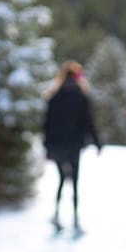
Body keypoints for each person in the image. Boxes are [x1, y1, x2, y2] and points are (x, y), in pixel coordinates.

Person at [42, 61, 101, 236]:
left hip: (57, 145)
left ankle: (57, 215)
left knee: (61, 179)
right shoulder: (80, 96)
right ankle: (75, 219)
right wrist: (97, 142)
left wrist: (47, 146)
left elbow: (46, 124)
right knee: (74, 181)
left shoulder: (54, 96)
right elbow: (88, 122)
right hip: (74, 144)